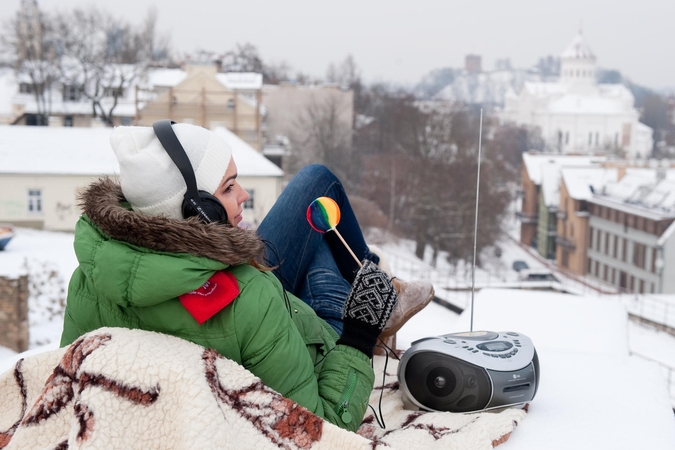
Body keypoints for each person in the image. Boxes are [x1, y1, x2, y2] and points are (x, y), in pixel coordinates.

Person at [60, 122, 434, 432]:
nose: (244, 195)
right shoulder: (253, 296)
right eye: (228, 187)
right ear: (198, 210)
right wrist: (359, 335)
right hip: (314, 340)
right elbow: (319, 430)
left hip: (250, 315)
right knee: (318, 203)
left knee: (316, 217)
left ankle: (373, 283)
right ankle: (378, 296)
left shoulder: (87, 280)